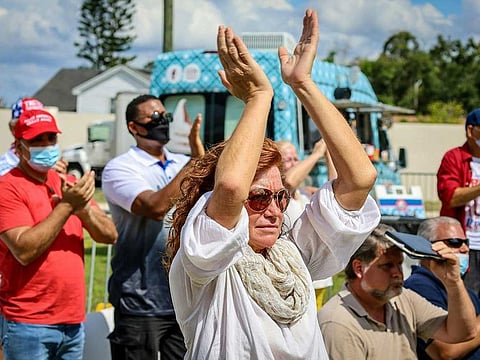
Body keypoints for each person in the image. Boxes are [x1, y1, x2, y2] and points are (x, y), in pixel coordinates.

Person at [166, 9, 381, 359]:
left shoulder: (293, 255)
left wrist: (303, 84)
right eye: (259, 198)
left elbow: (360, 179)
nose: (274, 210)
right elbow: (232, 187)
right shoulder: (203, 259)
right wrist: (258, 97)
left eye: (281, 198)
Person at [0, 108, 118, 359]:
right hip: (28, 324)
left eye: (50, 138)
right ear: (19, 148)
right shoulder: (7, 188)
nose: (46, 145)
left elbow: (109, 235)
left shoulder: (67, 184)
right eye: (36, 141)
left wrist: (82, 209)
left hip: (73, 322)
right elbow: (23, 249)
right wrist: (66, 206)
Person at [101, 94, 204, 359]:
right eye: (154, 117)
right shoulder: (120, 169)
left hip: (182, 298)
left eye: (164, 116)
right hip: (139, 300)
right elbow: (154, 208)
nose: (162, 121)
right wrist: (194, 162)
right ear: (134, 127)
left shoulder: (182, 163)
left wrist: (197, 160)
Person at [318, 223, 477, 360]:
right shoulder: (338, 322)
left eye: (399, 264)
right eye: (387, 266)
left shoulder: (402, 299)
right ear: (359, 268)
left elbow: (463, 333)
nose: (398, 273)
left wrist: (453, 282)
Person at [405, 216, 480, 359]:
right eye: (455, 242)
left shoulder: (462, 288)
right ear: (427, 247)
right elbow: (446, 352)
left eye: (466, 242)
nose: (464, 249)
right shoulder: (418, 287)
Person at [277, 139, 335, 309]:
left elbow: (335, 192)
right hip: (293, 276)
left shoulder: (304, 194)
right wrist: (316, 154)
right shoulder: (278, 194)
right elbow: (289, 181)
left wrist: (328, 153)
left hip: (317, 278)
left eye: (296, 158)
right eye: (288, 160)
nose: (295, 163)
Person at [437, 108, 480, 296]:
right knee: (466, 301)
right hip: (464, 247)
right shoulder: (453, 158)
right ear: (471, 131)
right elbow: (450, 197)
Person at [0, 97, 68, 176]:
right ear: (13, 129)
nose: (45, 143)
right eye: (28, 122)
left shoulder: (50, 163)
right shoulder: (4, 169)